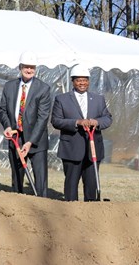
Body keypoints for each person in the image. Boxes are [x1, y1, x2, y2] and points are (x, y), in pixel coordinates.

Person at [51, 64, 112, 201]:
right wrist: (76, 122)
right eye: (79, 80)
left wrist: (97, 122)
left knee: (92, 184)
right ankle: (71, 211)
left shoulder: (98, 99)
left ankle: (91, 212)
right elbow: (56, 120)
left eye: (85, 80)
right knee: (71, 184)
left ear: (89, 81)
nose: (82, 83)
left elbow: (107, 118)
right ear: (73, 81)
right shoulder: (62, 99)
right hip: (72, 148)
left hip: (93, 149)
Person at [0, 51, 51, 197]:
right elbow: (2, 110)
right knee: (17, 178)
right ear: (20, 67)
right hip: (16, 138)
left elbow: (43, 118)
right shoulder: (9, 86)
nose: (29, 70)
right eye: (26, 67)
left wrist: (30, 142)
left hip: (36, 141)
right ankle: (18, 206)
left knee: (40, 180)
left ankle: (42, 207)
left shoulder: (43, 88)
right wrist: (7, 126)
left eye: (32, 67)